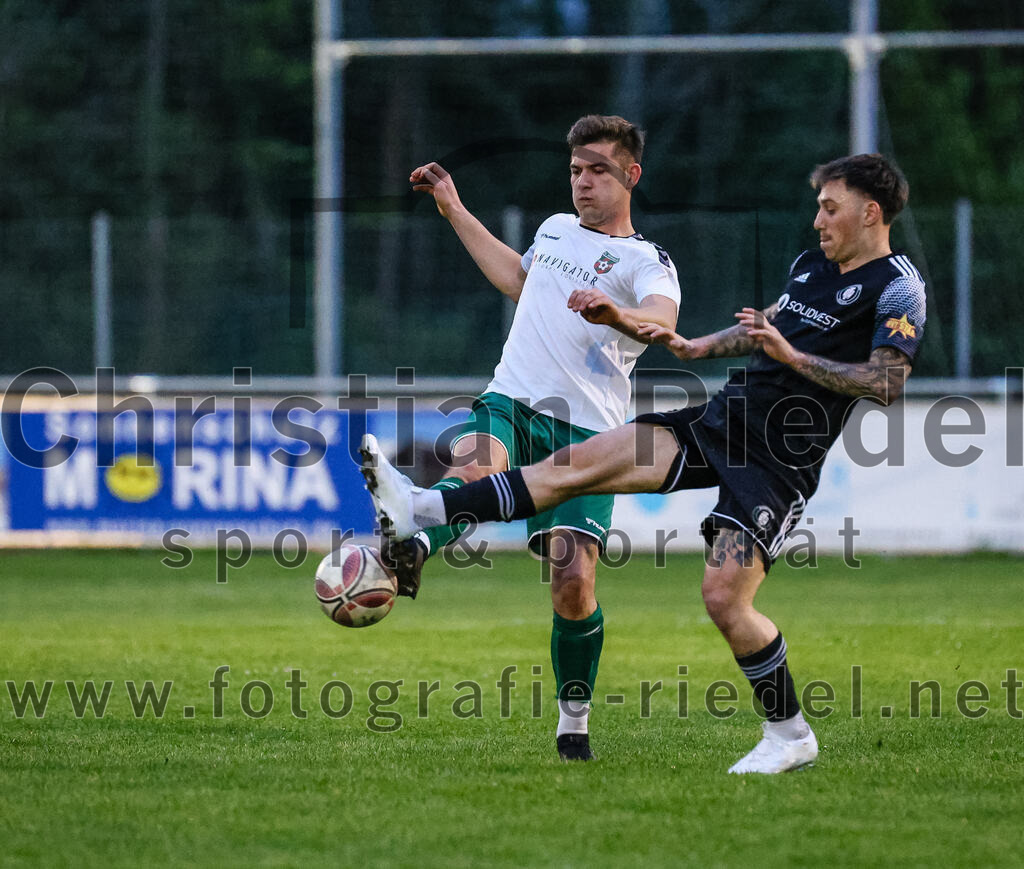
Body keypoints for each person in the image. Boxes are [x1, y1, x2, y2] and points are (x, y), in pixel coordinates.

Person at [361, 153, 926, 774]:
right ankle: (421, 506)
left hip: (778, 460)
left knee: (725, 599)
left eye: (830, 208)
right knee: (576, 467)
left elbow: (885, 381)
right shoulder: (811, 265)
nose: (818, 220)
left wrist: (791, 356)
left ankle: (790, 734)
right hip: (724, 421)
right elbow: (768, 328)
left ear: (870, 213)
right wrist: (698, 346)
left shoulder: (899, 287)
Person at [364, 115, 681, 761]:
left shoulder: (648, 260)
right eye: (575, 170)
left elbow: (662, 321)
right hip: (513, 397)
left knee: (572, 580)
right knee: (475, 470)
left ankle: (574, 722)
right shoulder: (555, 229)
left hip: (589, 431)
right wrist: (454, 209)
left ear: (631, 175)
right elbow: (518, 280)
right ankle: (414, 540)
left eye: (598, 170)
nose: (583, 182)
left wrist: (616, 313)